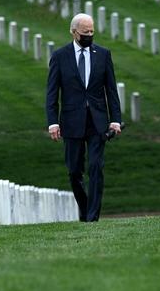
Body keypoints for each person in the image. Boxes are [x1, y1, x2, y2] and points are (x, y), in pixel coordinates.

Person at [45, 13, 122, 222]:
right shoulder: (60, 56)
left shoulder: (103, 55)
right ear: (73, 32)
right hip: (71, 121)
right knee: (74, 171)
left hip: (97, 121)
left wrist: (116, 119)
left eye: (91, 31)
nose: (89, 35)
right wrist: (53, 122)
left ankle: (92, 217)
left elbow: (111, 90)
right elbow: (52, 92)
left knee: (96, 167)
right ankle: (85, 207)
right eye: (85, 32)